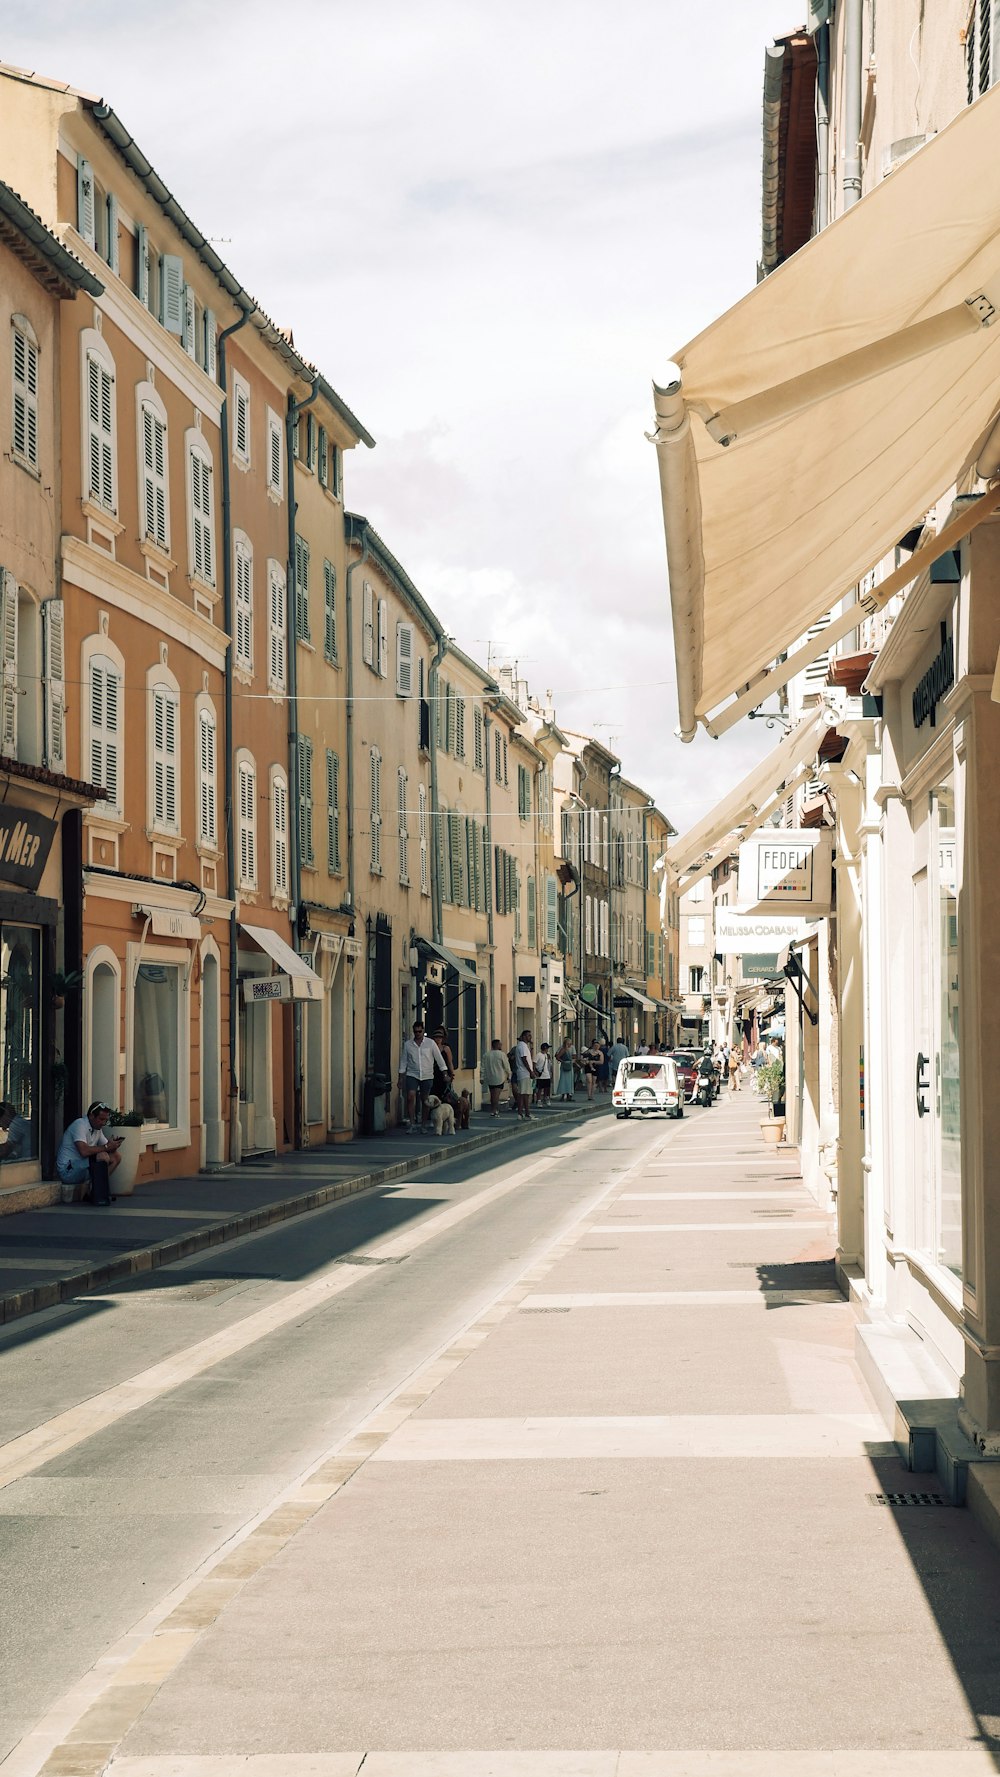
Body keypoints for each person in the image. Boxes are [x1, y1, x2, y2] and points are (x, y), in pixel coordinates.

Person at [56, 1102, 123, 1204]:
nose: (103, 1123)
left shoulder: (97, 1129)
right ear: (91, 1116)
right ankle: (98, 1195)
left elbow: (107, 1148)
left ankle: (97, 1190)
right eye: (101, 1119)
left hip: (83, 1167)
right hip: (68, 1170)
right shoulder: (79, 1125)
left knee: (116, 1157)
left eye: (105, 1120)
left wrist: (113, 1146)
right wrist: (106, 1147)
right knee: (102, 1156)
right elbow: (84, 1151)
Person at [397, 1021, 449, 1131]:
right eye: (415, 1031)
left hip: (427, 1074)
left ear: (423, 1030)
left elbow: (439, 1058)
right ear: (413, 1031)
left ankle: (423, 1124)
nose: (418, 1033)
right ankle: (412, 1123)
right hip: (412, 1073)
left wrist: (445, 1073)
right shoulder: (408, 1045)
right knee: (411, 1096)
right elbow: (403, 1061)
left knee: (425, 1100)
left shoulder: (430, 1043)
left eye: (420, 1031)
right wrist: (400, 1078)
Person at [480, 1038, 511, 1118]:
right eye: (500, 1044)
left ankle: (493, 1110)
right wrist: (509, 1075)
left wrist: (482, 1077)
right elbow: (506, 1066)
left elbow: (482, 1067)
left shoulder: (486, 1055)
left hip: (490, 1077)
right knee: (496, 1095)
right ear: (497, 1045)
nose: (501, 1045)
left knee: (492, 1094)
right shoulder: (502, 1054)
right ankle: (494, 1110)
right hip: (499, 1077)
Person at [514, 1029, 534, 1121]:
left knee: (525, 1093)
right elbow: (524, 1059)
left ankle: (525, 1113)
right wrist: (530, 1071)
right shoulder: (522, 1046)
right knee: (523, 1094)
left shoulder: (524, 1046)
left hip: (524, 1073)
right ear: (524, 1037)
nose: (530, 1037)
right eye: (529, 1035)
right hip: (524, 1073)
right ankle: (523, 1113)